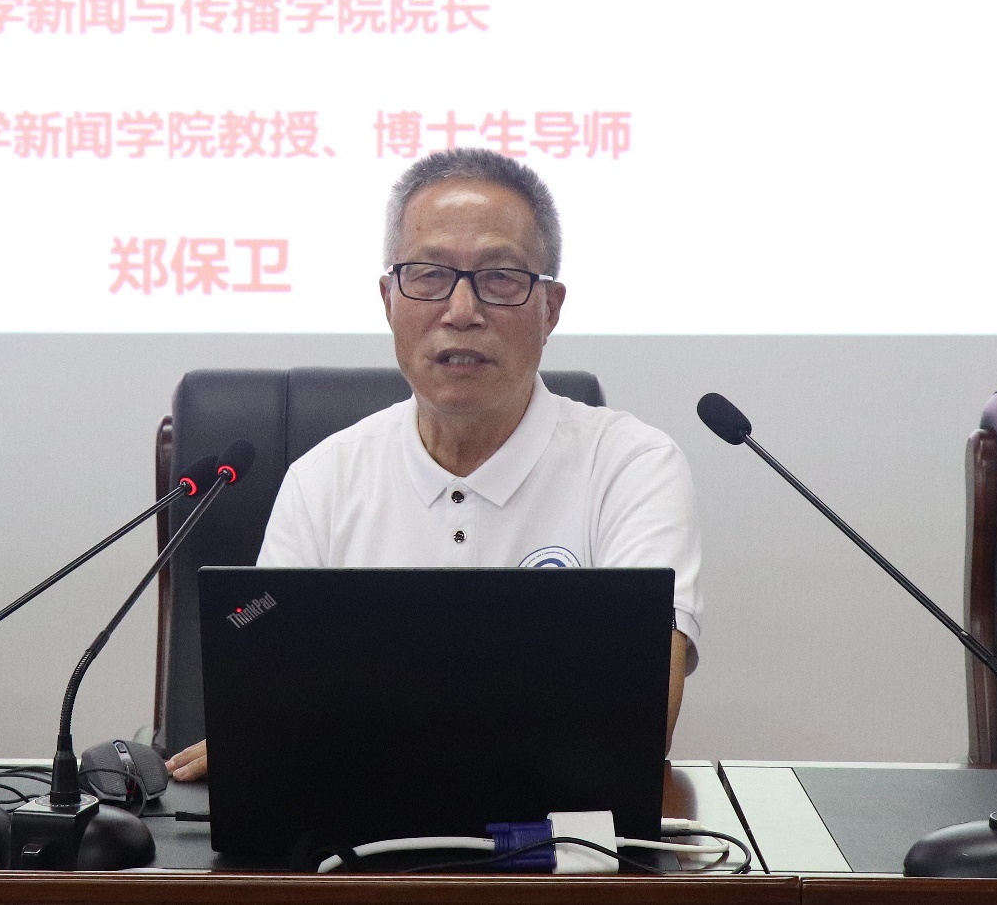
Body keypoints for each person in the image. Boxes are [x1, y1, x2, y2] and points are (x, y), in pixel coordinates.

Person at [168, 148, 701, 782]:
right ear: (388, 299)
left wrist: (340, 726)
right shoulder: (323, 479)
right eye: (428, 275)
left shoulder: (632, 468)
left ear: (551, 308)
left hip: (559, 837)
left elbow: (639, 718)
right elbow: (264, 717)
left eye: (500, 278)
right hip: (353, 837)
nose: (462, 311)